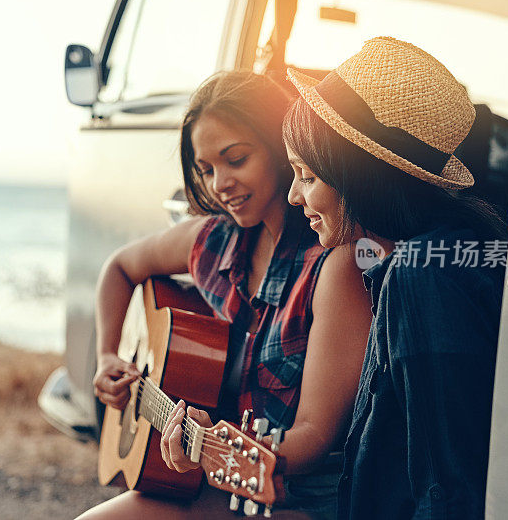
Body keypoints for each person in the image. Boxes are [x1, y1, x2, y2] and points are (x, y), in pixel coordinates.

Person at [77, 71, 373, 519]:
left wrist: (208, 446)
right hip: (225, 482)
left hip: (300, 497)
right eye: (207, 170)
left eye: (236, 159)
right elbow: (119, 268)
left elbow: (314, 437)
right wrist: (106, 357)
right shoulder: (213, 241)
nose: (220, 184)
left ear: (280, 148)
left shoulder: (333, 264)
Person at [281, 37, 507, 519]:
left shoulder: (424, 276)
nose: (293, 197)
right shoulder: (434, 257)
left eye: (307, 175)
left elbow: (449, 489)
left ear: (356, 175)